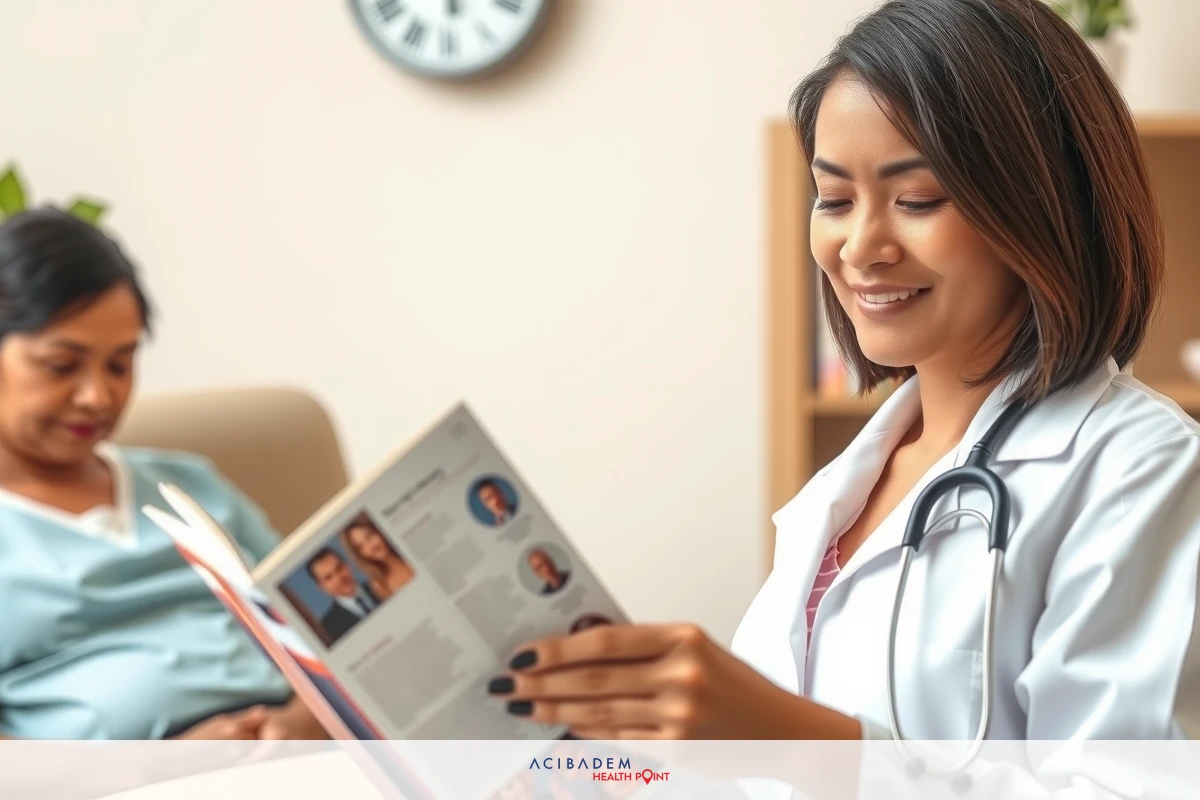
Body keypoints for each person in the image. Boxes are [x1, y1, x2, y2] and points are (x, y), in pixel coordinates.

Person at [484, 0, 1200, 783]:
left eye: (917, 199)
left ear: (1041, 207)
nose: (860, 247)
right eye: (833, 199)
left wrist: (797, 741)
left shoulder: (1138, 468)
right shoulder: (857, 482)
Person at [0, 207, 326, 740]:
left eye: (120, 364)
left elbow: (323, 632)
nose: (97, 396)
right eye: (62, 365)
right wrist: (160, 766)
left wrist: (300, 725)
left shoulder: (190, 486)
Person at [307, 547, 381, 642]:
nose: (339, 578)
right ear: (321, 587)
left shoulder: (383, 585)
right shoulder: (328, 629)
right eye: (328, 577)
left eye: (339, 568)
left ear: (348, 565)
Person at [339, 512, 415, 601]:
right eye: (361, 547)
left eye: (369, 536)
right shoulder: (379, 585)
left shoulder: (410, 548)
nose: (371, 547)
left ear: (378, 530)